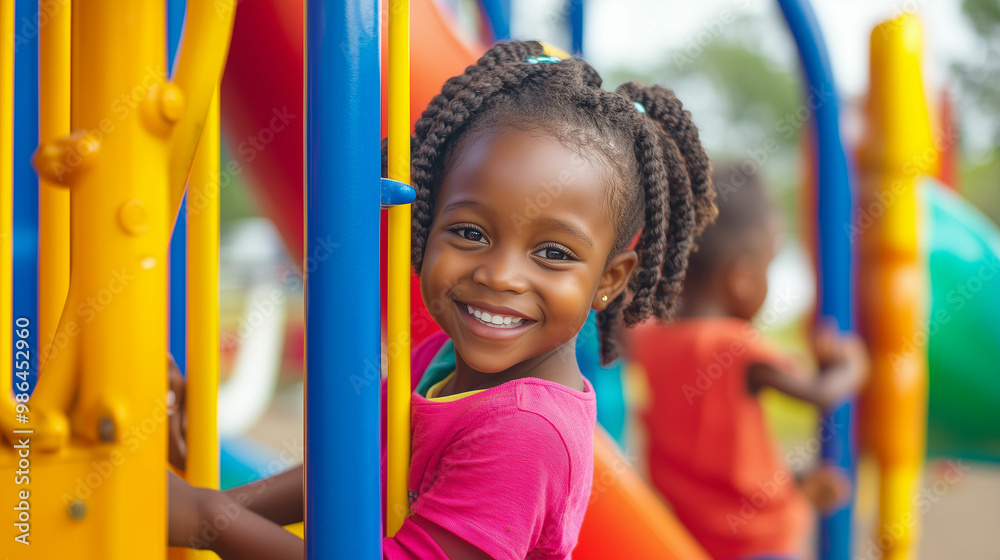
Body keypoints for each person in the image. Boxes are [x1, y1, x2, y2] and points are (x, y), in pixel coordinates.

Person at [167, 40, 716, 560]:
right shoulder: (439, 356)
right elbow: (355, 472)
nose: (500, 276)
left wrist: (207, 519)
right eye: (471, 233)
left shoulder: (527, 432)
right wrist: (201, 492)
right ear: (427, 223)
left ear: (611, 279)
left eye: (552, 252)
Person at [628, 163, 868, 560]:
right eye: (769, 265)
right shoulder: (734, 346)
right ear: (741, 277)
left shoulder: (651, 339)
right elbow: (821, 394)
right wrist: (852, 365)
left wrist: (797, 482)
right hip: (756, 545)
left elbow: (709, 458)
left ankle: (797, 487)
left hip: (684, 536)